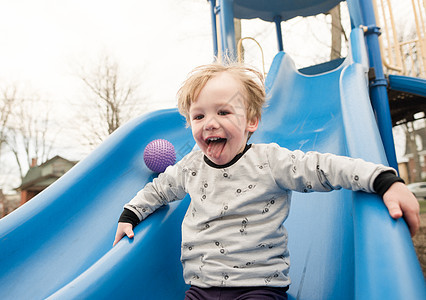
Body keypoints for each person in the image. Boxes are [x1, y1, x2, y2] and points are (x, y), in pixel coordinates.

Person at [113, 62, 420, 300]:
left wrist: (383, 180)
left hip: (259, 286)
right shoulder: (190, 166)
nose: (210, 123)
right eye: (198, 116)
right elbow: (158, 189)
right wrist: (131, 213)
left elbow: (323, 167)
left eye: (223, 111)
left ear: (251, 121)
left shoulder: (270, 161)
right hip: (201, 287)